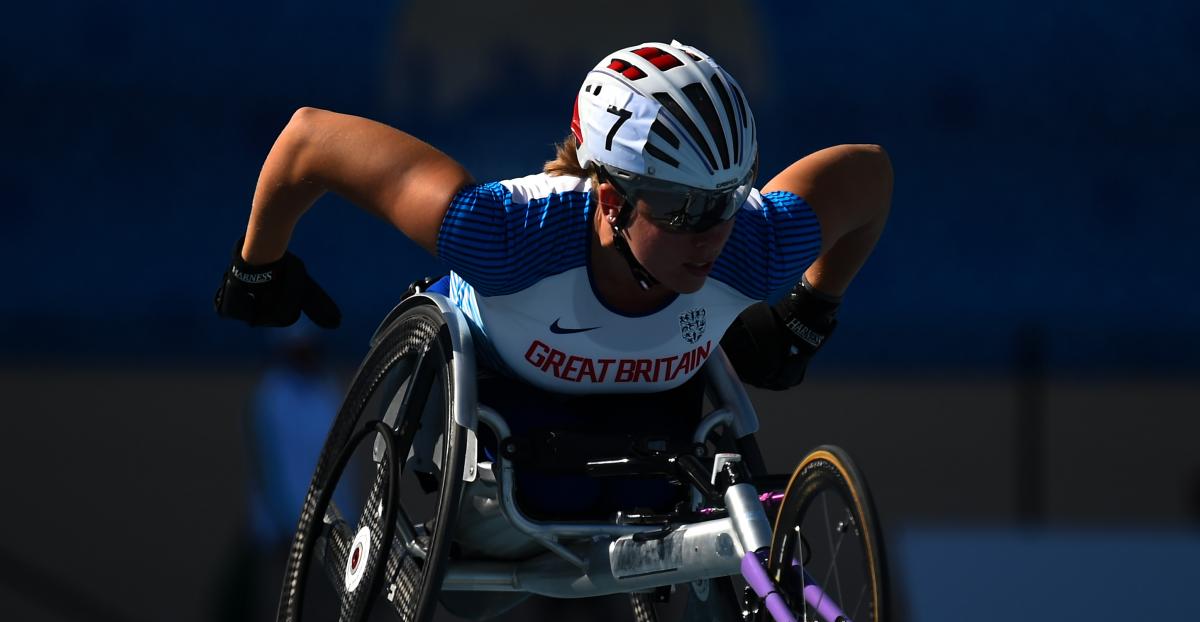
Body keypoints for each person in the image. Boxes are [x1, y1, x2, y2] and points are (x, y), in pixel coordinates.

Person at [215, 38, 892, 521]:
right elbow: (310, 139)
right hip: (503, 408)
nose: (713, 232)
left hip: (647, 424)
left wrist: (810, 310)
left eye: (726, 199)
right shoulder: (505, 235)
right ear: (610, 203)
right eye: (684, 208)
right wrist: (259, 263)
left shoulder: (755, 243)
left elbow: (872, 174)